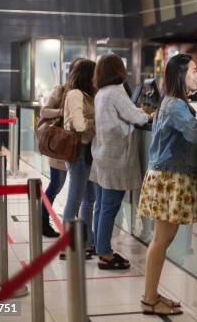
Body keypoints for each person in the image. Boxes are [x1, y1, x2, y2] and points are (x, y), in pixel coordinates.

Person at [138, 54, 197, 316]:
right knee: (162, 239)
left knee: (164, 238)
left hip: (166, 176)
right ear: (180, 75)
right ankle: (149, 299)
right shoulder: (175, 105)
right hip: (169, 178)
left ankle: (151, 294)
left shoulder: (171, 103)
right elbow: (194, 134)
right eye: (194, 71)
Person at [90, 54, 150, 270]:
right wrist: (148, 115)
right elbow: (136, 117)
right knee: (109, 206)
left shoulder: (101, 93)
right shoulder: (116, 91)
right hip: (115, 157)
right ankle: (105, 253)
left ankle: (100, 247)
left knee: (101, 205)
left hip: (102, 154)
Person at [38, 58, 81, 238]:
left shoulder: (85, 92)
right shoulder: (61, 90)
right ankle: (42, 222)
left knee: (77, 190)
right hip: (60, 146)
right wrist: (61, 112)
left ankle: (78, 228)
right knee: (56, 185)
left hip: (77, 148)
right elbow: (43, 112)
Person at [61, 59, 97, 259]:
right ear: (87, 75)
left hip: (88, 151)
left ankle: (85, 241)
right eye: (94, 73)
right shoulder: (75, 94)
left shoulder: (89, 94)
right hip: (78, 151)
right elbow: (80, 125)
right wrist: (98, 120)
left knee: (89, 199)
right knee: (75, 200)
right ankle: (70, 246)